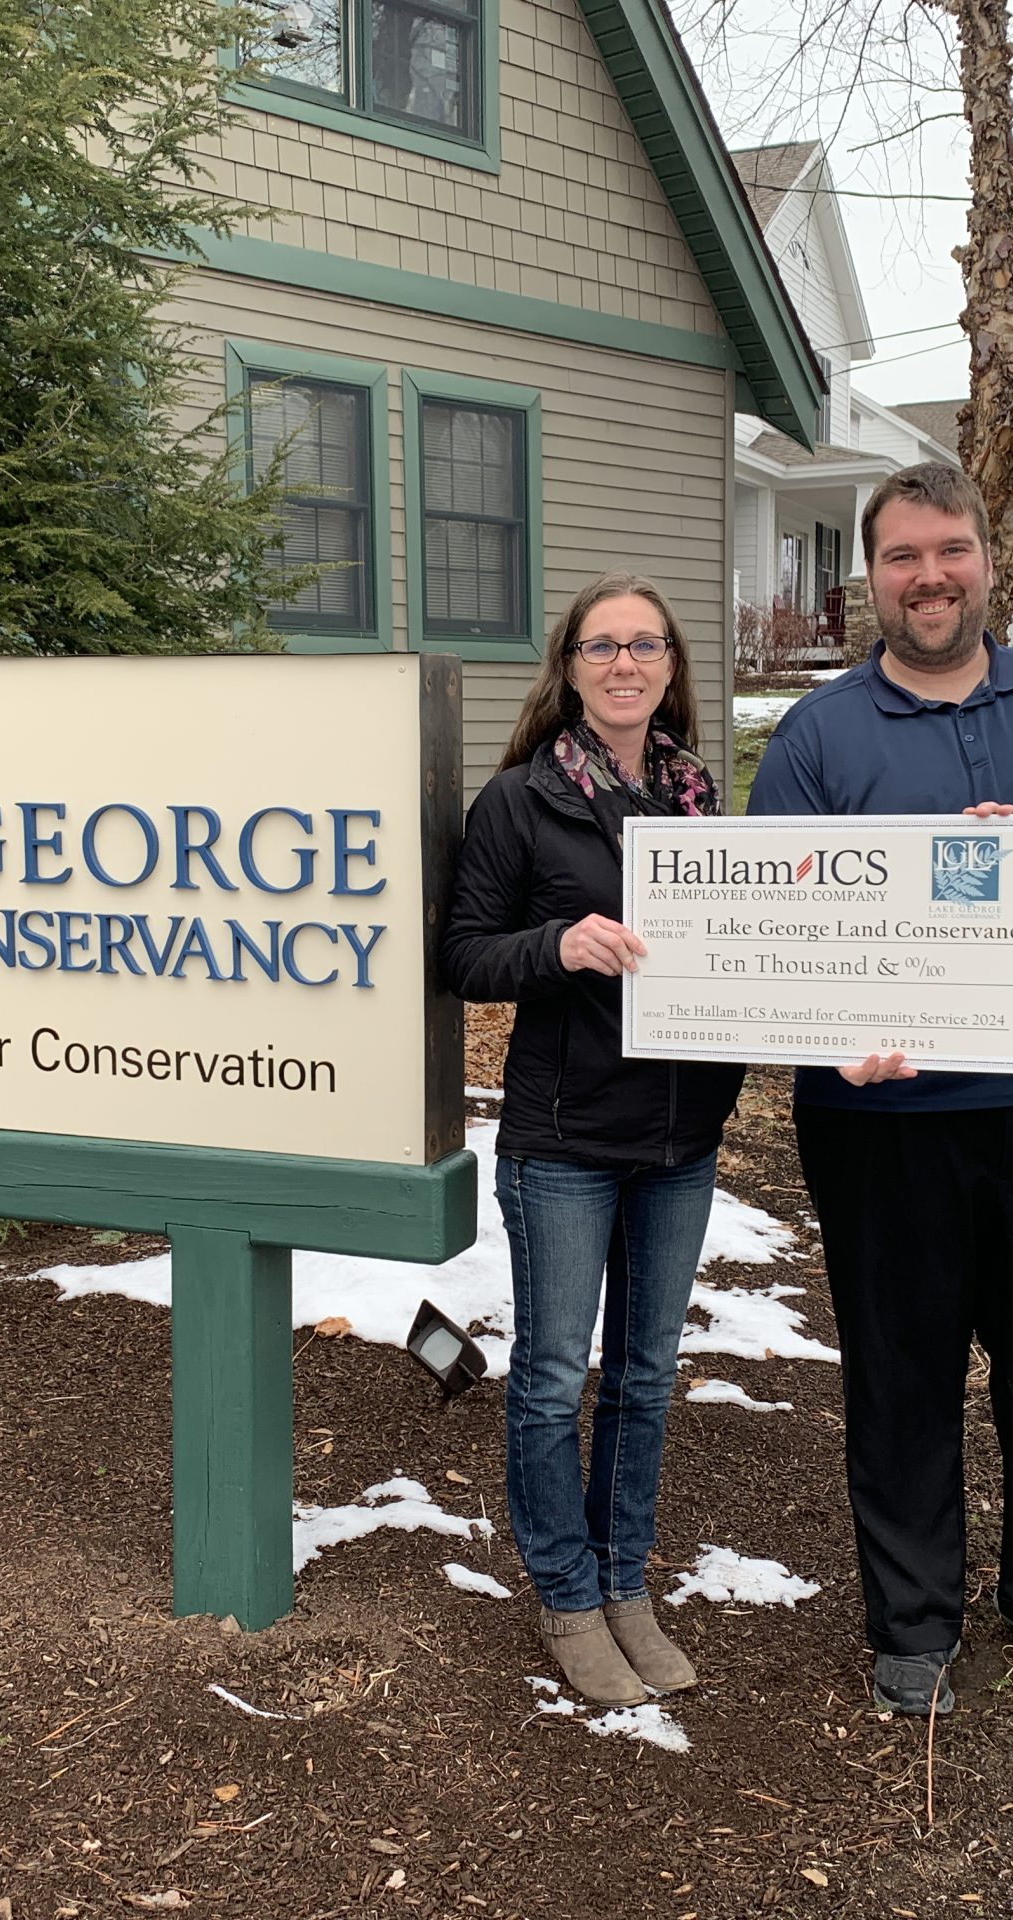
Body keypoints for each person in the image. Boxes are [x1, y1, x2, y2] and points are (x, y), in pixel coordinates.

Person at [746, 462, 1013, 1719]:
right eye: (900, 557)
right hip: (885, 1116)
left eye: (949, 551)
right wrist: (828, 1030)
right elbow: (777, 931)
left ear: (992, 562)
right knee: (900, 1368)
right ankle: (913, 1617)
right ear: (868, 575)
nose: (927, 576)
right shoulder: (818, 734)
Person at [441, 573, 745, 1707]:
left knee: (647, 1377)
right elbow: (464, 956)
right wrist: (556, 945)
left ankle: (626, 1582)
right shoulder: (518, 802)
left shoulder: (702, 801)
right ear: (569, 666)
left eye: (647, 646)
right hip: (563, 1137)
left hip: (682, 1135)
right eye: (603, 645)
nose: (626, 663)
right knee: (553, 1375)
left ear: (671, 670)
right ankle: (565, 1595)